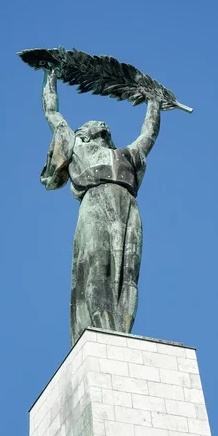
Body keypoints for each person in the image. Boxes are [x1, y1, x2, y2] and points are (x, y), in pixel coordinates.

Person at [40, 68, 161, 346]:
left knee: (127, 273)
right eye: (93, 121)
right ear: (86, 133)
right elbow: (52, 114)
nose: (101, 121)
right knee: (97, 267)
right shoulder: (78, 149)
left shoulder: (127, 155)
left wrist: (154, 103)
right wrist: (51, 77)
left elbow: (149, 135)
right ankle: (98, 329)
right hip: (94, 204)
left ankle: (122, 332)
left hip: (127, 207)